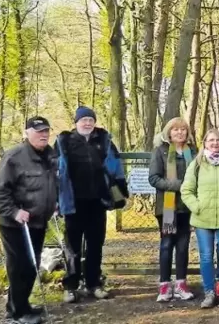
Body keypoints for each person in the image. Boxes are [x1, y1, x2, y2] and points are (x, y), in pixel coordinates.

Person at [56, 106, 128, 303]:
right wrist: (56, 200)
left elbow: (116, 168)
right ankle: (71, 286)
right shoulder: (65, 142)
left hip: (98, 202)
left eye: (90, 120)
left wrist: (120, 192)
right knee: (72, 248)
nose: (87, 123)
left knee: (95, 245)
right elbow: (56, 173)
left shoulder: (103, 141)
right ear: (76, 122)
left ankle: (93, 284)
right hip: (73, 203)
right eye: (83, 120)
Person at [0, 117, 58, 324]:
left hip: (38, 221)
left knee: (32, 265)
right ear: (27, 133)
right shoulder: (15, 156)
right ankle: (16, 313)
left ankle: (23, 305)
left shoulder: (50, 155)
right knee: (19, 266)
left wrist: (53, 203)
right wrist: (14, 211)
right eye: (38, 131)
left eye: (46, 130)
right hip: (15, 224)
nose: (43, 134)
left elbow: (51, 184)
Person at [180, 129, 219, 310]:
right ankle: (209, 293)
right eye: (211, 140)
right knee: (206, 258)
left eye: (218, 140)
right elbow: (186, 190)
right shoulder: (197, 164)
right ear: (205, 143)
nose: (215, 143)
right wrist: (197, 207)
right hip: (202, 219)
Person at [148, 117, 196, 302]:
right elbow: (154, 178)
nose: (179, 132)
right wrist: (175, 185)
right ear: (169, 132)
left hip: (186, 206)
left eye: (183, 129)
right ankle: (165, 286)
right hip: (168, 207)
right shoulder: (160, 151)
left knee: (183, 246)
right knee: (167, 245)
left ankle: (181, 284)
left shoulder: (192, 152)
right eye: (175, 129)